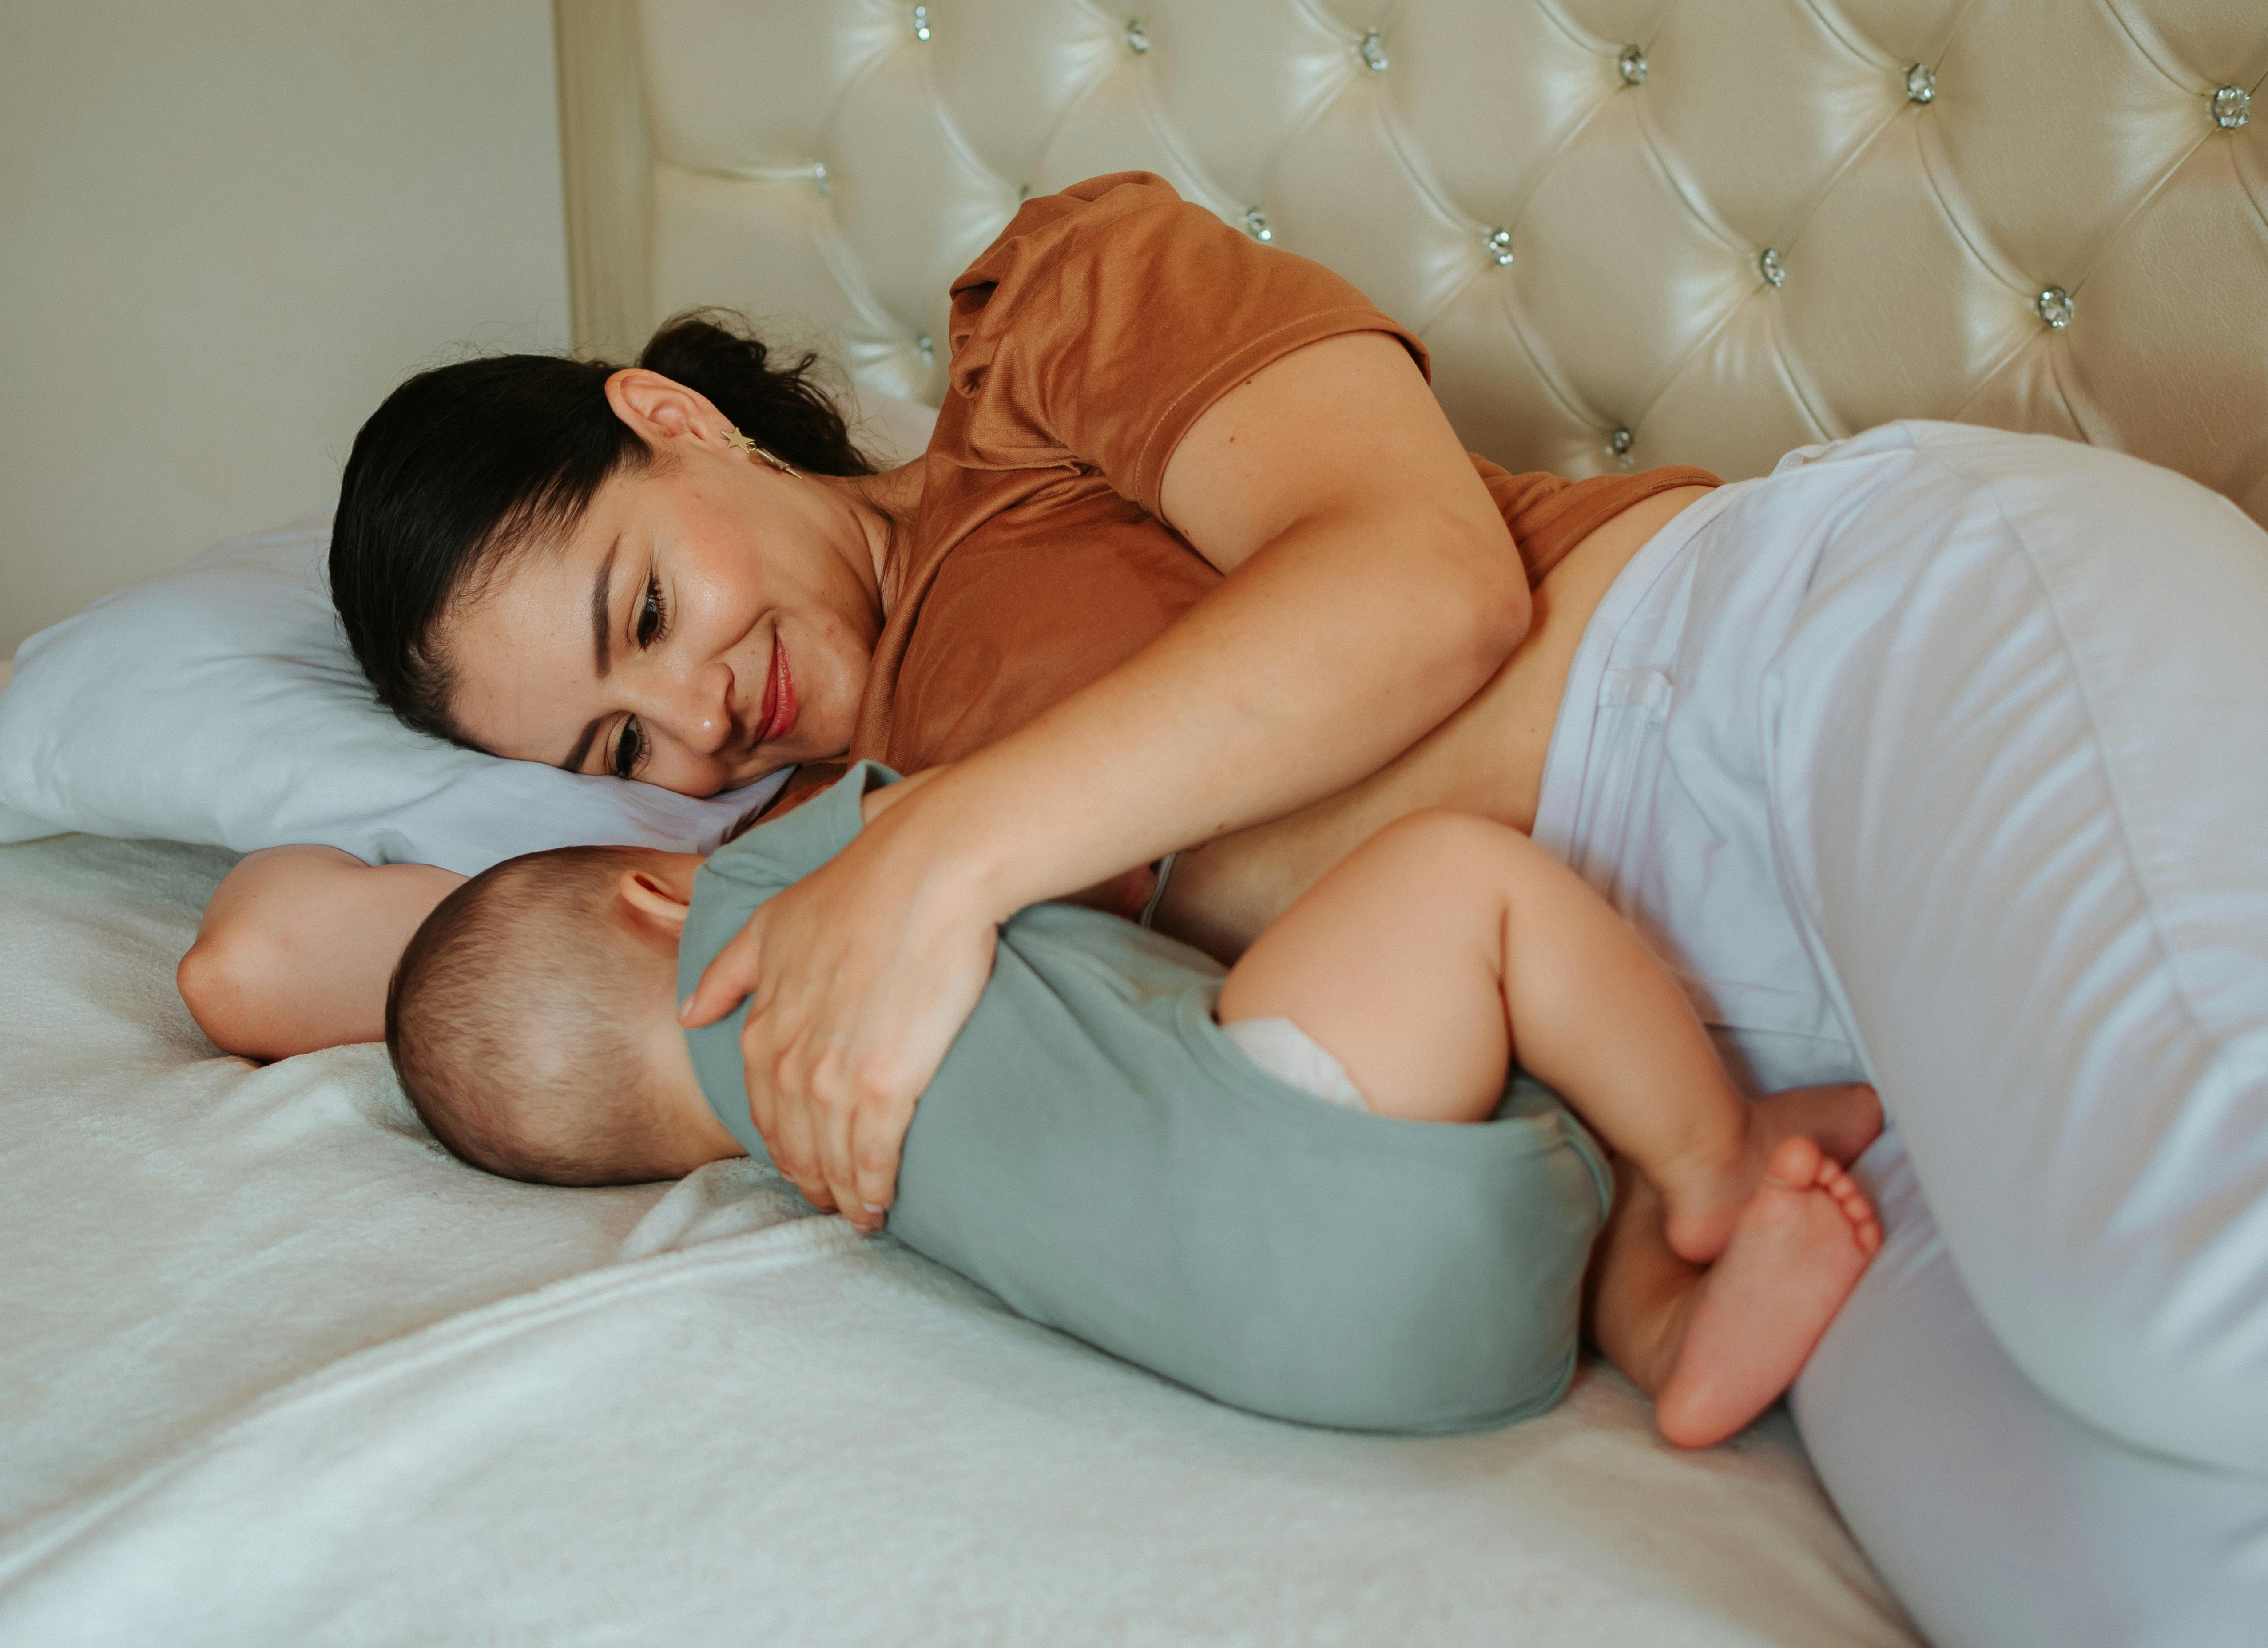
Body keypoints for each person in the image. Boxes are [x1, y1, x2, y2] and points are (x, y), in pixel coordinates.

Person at [179, 169, 2267, 1537]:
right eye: (619, 746)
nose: (698, 716)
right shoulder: (812, 878)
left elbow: (1427, 585)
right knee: (2104, 1567)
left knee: (2175, 1314)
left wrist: (942, 859)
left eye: (646, 609)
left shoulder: (1045, 329)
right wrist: (800, 858)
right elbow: (269, 957)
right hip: (1737, 1092)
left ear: (676, 420)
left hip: (1812, 670)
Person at [385, 761, 1883, 1447]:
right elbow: (1050, 824)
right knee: (1460, 879)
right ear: (655, 895)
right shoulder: (760, 897)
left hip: (1347, 1363)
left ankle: (1670, 1338)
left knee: (1517, 1108)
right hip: (1285, 1117)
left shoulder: (814, 1166)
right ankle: (1717, 1156)